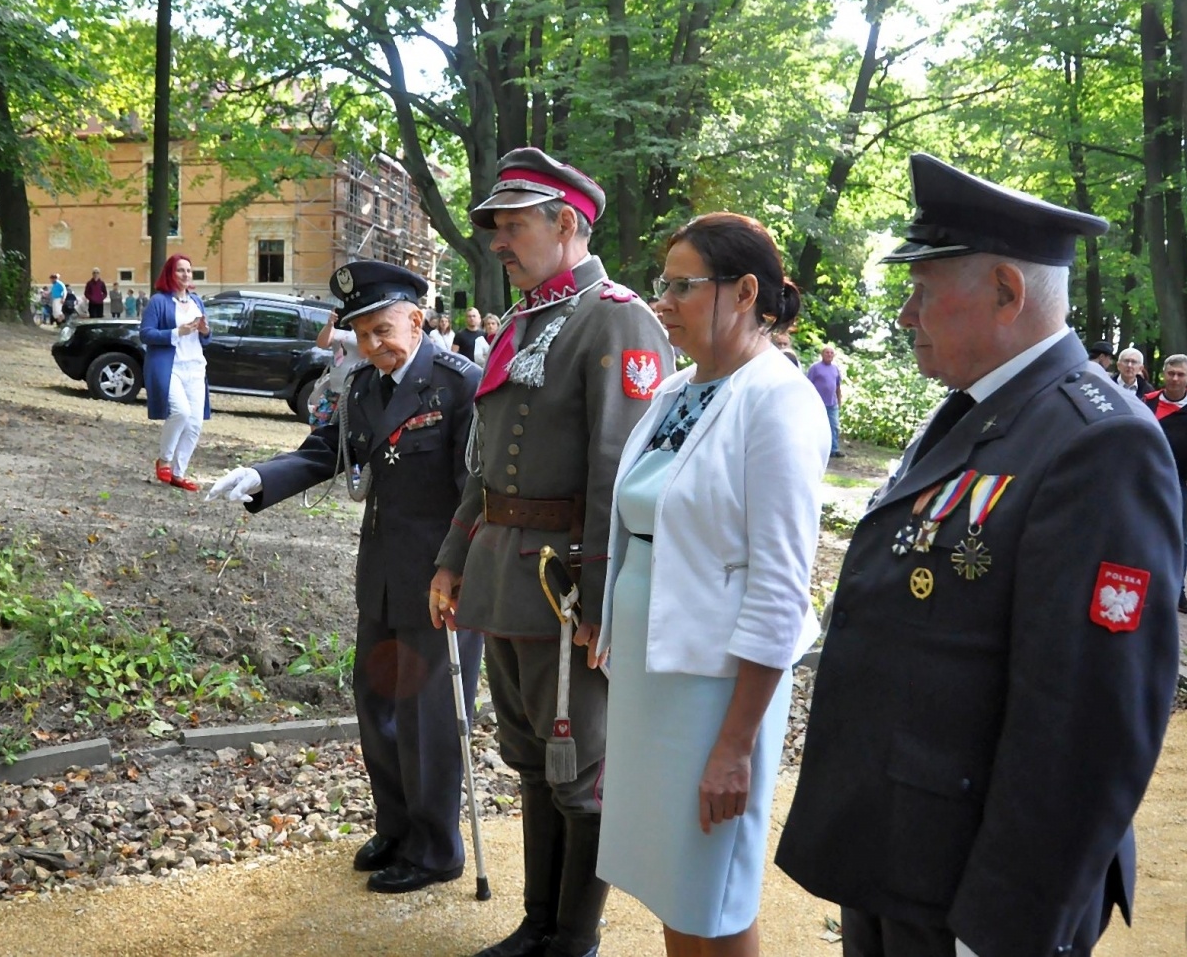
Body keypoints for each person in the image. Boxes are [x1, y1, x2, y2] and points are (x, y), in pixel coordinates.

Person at [776, 153, 1182, 957]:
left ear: (1006, 290)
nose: (904, 314)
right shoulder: (975, 410)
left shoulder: (1097, 442)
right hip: (904, 852)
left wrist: (1003, 925)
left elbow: (1089, 725)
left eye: (924, 290)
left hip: (976, 888)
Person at [428, 146, 673, 957]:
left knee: (583, 774)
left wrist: (601, 602)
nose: (497, 239)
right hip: (506, 573)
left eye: (511, 223)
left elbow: (619, 474)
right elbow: (484, 460)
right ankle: (538, 922)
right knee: (533, 759)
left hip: (568, 586)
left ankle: (574, 937)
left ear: (566, 222)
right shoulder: (529, 318)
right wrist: (453, 557)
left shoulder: (619, 317)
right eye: (494, 224)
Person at [207, 261, 485, 892]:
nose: (370, 345)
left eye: (382, 330)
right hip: (384, 576)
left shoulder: (459, 385)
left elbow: (480, 492)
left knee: (431, 719)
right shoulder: (364, 385)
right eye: (360, 334)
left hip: (443, 581)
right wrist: (261, 477)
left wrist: (460, 569)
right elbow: (326, 449)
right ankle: (397, 825)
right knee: (378, 705)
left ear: (417, 319)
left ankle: (437, 848)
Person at [595, 213, 825, 956]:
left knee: (713, 895)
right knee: (674, 884)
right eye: (664, 284)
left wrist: (735, 744)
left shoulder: (777, 399)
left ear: (746, 289)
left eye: (683, 286)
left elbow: (781, 587)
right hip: (652, 677)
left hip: (716, 690)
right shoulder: (675, 392)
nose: (663, 301)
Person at [1141, 354, 1187, 614]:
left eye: (1180, 374)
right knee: (1146, 532)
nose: (1174, 378)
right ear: (1163, 374)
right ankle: (1147, 587)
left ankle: (1176, 590)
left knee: (1181, 536)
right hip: (1150, 481)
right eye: (1171, 373)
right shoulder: (1147, 402)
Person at [140, 255, 211, 491]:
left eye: (189, 271)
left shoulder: (196, 302)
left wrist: (204, 331)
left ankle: (179, 474)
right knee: (180, 412)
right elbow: (146, 334)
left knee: (194, 424)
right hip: (170, 366)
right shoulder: (159, 302)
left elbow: (206, 339)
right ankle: (165, 460)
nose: (185, 275)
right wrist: (175, 332)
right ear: (170, 273)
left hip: (195, 366)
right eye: (180, 270)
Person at [807, 346, 844, 457]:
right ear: (822, 354)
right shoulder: (815, 368)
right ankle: (815, 447)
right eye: (827, 352)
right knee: (816, 426)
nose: (829, 355)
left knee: (834, 426)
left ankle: (834, 449)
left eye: (831, 353)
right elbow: (808, 384)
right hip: (817, 403)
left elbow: (837, 386)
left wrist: (839, 401)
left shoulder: (835, 369)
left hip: (832, 403)